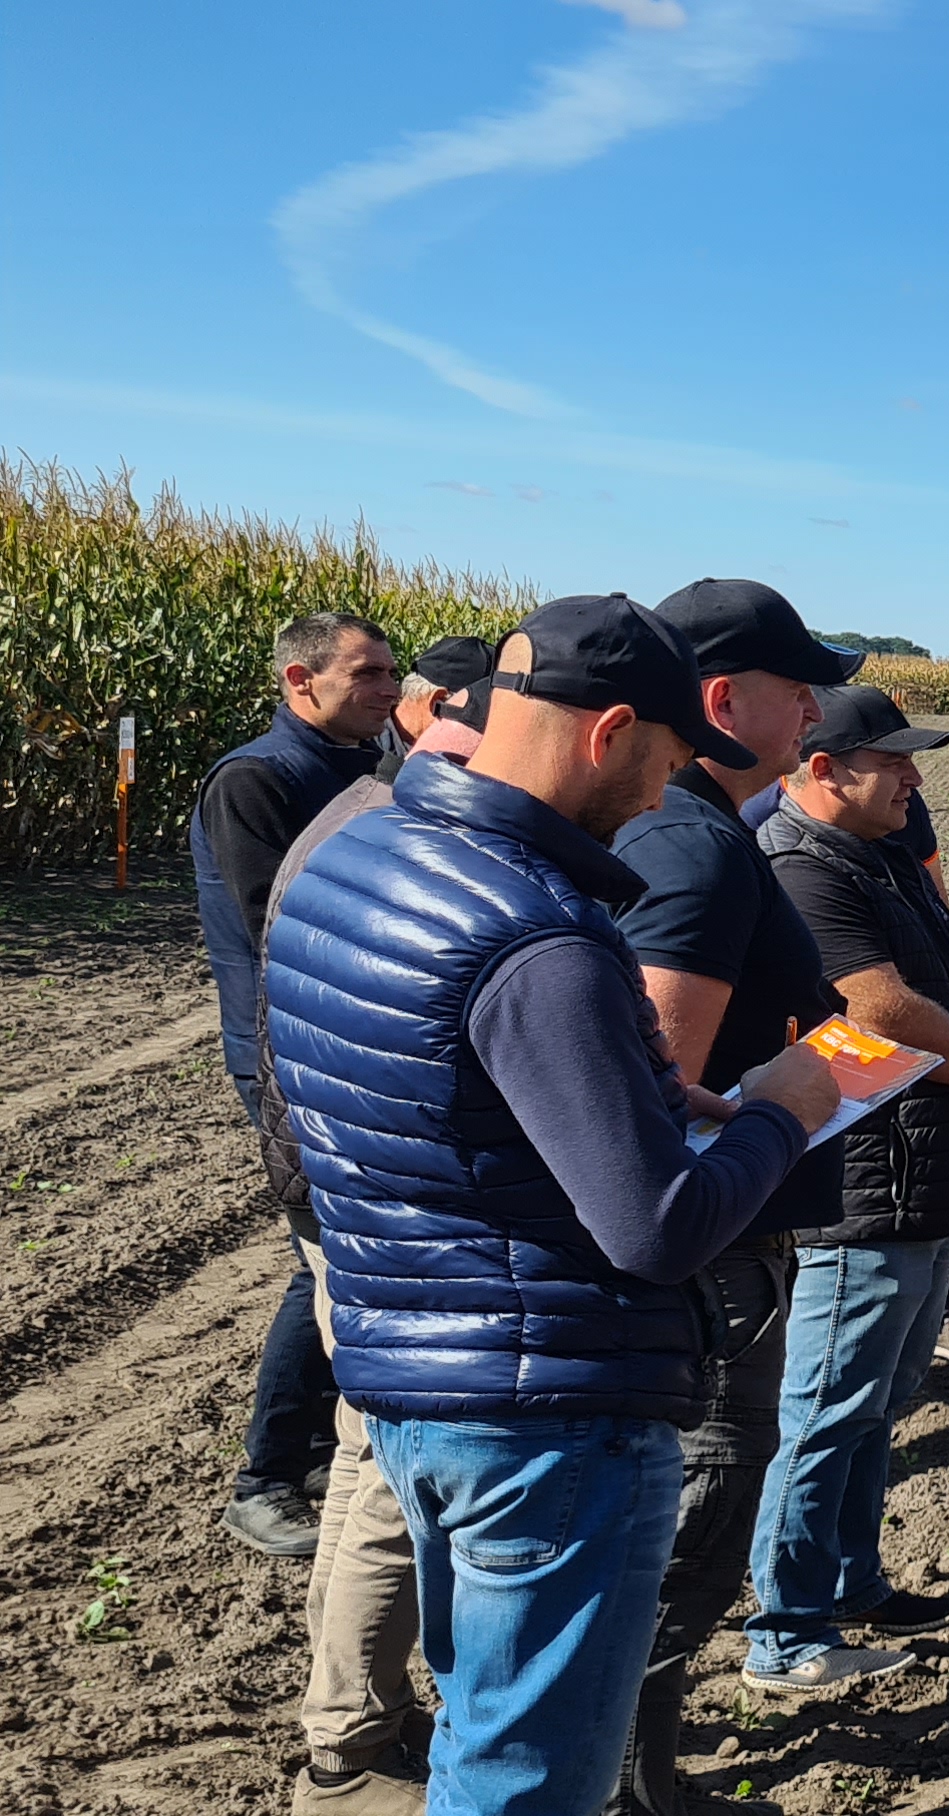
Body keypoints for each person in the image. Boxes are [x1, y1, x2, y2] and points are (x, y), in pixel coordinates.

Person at [260, 594, 839, 1816]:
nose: (660, 799)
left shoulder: (349, 853)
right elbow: (661, 1227)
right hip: (550, 1422)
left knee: (484, 1732)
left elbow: (406, 1097)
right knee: (528, 1782)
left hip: (410, 1378)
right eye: (668, 763)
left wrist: (626, 1088)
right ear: (609, 731)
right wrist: (786, 1102)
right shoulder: (542, 937)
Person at [603, 579, 874, 1815]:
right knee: (705, 1499)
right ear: (722, 701)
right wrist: (783, 1103)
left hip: (722, 1240)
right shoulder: (698, 850)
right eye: (798, 683)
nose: (817, 703)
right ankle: (625, 1774)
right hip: (712, 1258)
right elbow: (650, 1095)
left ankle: (632, 1762)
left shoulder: (695, 832)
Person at [744, 687, 949, 1685]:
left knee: (880, 1394)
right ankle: (785, 1633)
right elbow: (883, 1009)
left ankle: (853, 1581)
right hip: (864, 1179)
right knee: (827, 1405)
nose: (915, 776)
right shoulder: (796, 865)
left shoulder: (888, 855)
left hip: (925, 1167)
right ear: (824, 770)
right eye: (895, 760)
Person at [256, 669, 492, 1816]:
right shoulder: (392, 842)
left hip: (339, 1191)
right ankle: (349, 1743)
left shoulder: (350, 824)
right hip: (371, 1205)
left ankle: (346, 1717)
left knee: (367, 1456)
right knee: (395, 1473)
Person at [200, 610, 403, 1560]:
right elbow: (276, 923)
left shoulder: (370, 770)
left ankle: (319, 1451)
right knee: (319, 1262)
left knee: (341, 1261)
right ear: (299, 680)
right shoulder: (256, 781)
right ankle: (265, 1478)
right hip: (288, 1058)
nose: (388, 691)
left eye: (391, 675)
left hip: (349, 1049)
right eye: (367, 676)